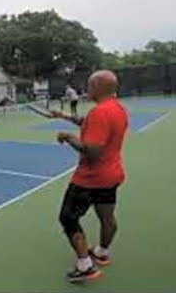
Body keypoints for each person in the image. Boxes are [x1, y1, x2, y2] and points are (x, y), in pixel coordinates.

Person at [50, 70, 128, 283]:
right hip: (111, 175)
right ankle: (102, 252)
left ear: (98, 87)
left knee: (68, 217)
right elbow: (87, 122)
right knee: (107, 216)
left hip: (90, 179)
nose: (87, 89)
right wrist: (63, 116)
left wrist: (67, 137)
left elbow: (92, 151)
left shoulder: (100, 113)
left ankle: (85, 267)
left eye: (90, 85)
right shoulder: (117, 109)